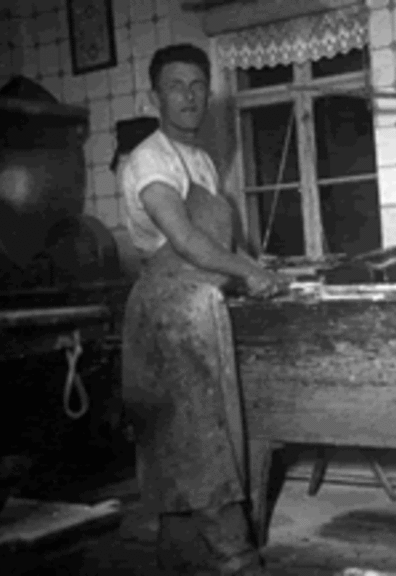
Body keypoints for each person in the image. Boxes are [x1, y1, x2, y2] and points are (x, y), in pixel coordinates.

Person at [119, 43, 288, 576]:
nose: (189, 96)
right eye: (176, 86)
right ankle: (234, 556)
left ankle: (181, 558)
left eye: (197, 86)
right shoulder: (150, 159)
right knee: (197, 439)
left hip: (201, 307)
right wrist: (248, 272)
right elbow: (187, 240)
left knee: (193, 441)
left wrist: (256, 266)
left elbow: (217, 244)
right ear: (155, 97)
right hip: (169, 313)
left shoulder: (202, 160)